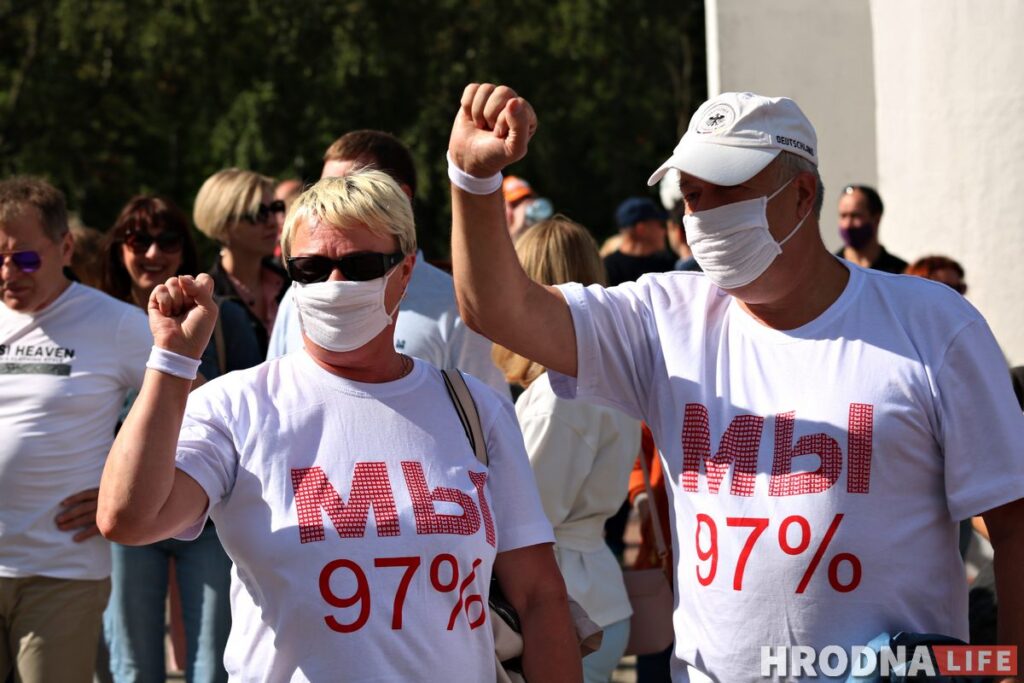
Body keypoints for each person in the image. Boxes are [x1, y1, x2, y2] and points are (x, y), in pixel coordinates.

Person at [446, 84, 1024, 682]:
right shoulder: (663, 318)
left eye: (730, 192)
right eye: (693, 196)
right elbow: (497, 308)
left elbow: (1013, 521)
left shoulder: (931, 325)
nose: (705, 215)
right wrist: (471, 177)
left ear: (802, 196)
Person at [97, 170, 581, 682]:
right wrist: (173, 361)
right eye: (311, 267)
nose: (334, 284)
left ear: (406, 271)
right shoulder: (238, 405)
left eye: (360, 265)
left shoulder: (475, 407)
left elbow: (539, 598)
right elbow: (128, 518)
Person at [99, 195, 261, 683]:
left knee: (212, 664)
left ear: (184, 249)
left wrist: (178, 356)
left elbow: (250, 409)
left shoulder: (222, 319)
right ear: (118, 249)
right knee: (133, 665)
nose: (153, 252)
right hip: (124, 510)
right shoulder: (95, 319)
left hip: (208, 510)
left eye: (167, 240)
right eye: (138, 239)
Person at [0, 177, 151, 683]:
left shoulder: (116, 324)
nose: (8, 274)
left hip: (60, 571)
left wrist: (125, 485)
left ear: (65, 247)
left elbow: (200, 407)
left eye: (24, 259)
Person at [493, 216, 641, 683]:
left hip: (564, 606)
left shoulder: (559, 396)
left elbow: (525, 516)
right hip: (591, 591)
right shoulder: (598, 379)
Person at [268, 129, 510, 398]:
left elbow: (487, 415)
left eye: (352, 187)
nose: (332, 199)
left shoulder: (458, 307)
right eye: (324, 187)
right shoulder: (298, 294)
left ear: (403, 197)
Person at [193, 168, 290, 356]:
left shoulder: (292, 283)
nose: (272, 221)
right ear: (223, 224)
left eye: (275, 209)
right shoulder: (206, 299)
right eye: (258, 213)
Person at [603, 197, 676, 287]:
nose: (664, 232)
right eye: (661, 225)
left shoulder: (669, 265)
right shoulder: (607, 271)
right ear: (641, 229)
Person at [835, 184, 908, 273]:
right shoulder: (829, 269)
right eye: (843, 216)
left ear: (876, 219)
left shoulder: (900, 273)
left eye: (855, 216)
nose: (847, 225)